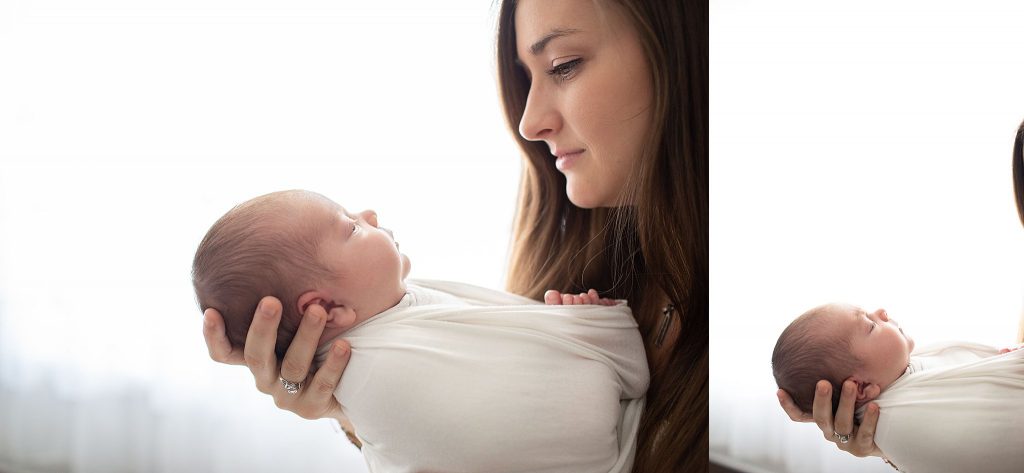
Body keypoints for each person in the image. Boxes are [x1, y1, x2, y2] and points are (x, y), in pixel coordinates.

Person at [201, 1, 708, 471]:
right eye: (525, 78)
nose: (529, 122)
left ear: (684, 54)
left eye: (563, 64)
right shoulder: (569, 261)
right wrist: (344, 408)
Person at [193, 189, 649, 472]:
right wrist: (583, 330)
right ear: (326, 310)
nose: (368, 213)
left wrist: (570, 330)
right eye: (350, 228)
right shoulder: (376, 373)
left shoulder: (398, 314)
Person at [773, 302, 1024, 472]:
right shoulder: (900, 420)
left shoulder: (902, 375)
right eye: (870, 326)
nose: (881, 312)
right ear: (861, 387)